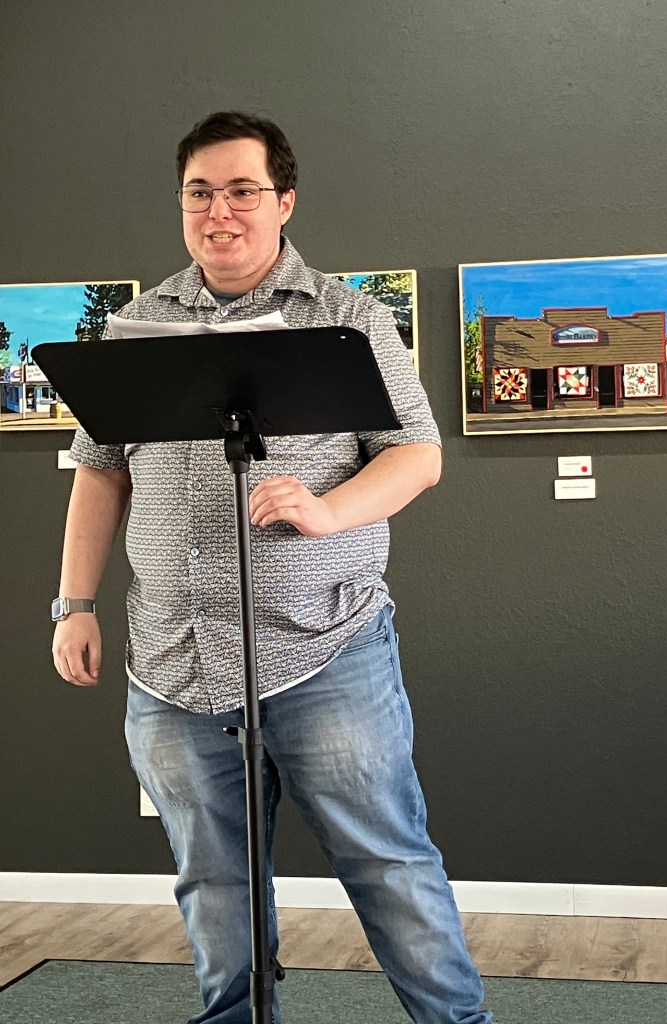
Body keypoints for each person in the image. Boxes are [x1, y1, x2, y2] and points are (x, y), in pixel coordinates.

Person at [52, 111, 493, 1024]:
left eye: (242, 191)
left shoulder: (346, 318)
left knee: (388, 863)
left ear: (284, 201)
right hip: (171, 662)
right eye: (199, 193)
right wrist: (73, 603)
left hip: (326, 649)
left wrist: (330, 511)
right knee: (211, 879)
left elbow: (417, 454)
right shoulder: (137, 327)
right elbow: (100, 472)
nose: (220, 211)